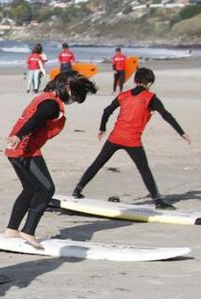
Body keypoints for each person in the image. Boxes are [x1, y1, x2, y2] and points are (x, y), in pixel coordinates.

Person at [3, 72, 98, 249]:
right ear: (67, 88)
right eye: (74, 95)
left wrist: (16, 137)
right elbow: (35, 118)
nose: (72, 100)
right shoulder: (51, 105)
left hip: (15, 150)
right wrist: (19, 135)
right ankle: (28, 231)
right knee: (47, 189)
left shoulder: (46, 99)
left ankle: (11, 230)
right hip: (25, 150)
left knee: (31, 189)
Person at [72, 68, 190, 209]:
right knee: (144, 170)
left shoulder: (124, 95)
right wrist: (181, 133)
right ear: (150, 83)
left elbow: (107, 111)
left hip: (115, 137)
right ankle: (157, 201)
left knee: (98, 163)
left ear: (135, 81)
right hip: (132, 140)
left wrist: (102, 128)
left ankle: (77, 190)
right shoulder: (150, 98)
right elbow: (166, 115)